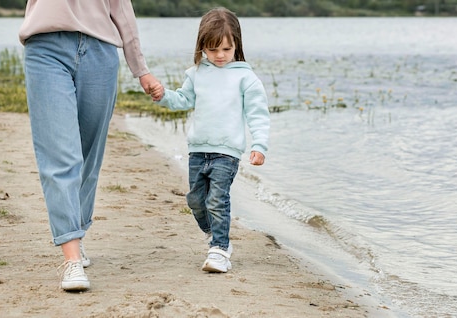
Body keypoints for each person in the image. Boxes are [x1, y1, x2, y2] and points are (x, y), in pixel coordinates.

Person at [18, 0, 160, 291]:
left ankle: (77, 231)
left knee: (88, 157)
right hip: (46, 49)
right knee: (60, 157)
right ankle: (71, 258)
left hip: (100, 51)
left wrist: (140, 69)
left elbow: (122, 9)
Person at [149, 7, 270, 273]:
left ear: (236, 44)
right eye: (213, 49)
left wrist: (259, 146)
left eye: (226, 49)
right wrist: (163, 95)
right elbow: (183, 99)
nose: (219, 55)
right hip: (198, 150)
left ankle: (219, 248)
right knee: (195, 200)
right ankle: (215, 235)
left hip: (227, 152)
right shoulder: (196, 74)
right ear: (202, 46)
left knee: (217, 199)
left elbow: (258, 115)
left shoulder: (245, 78)